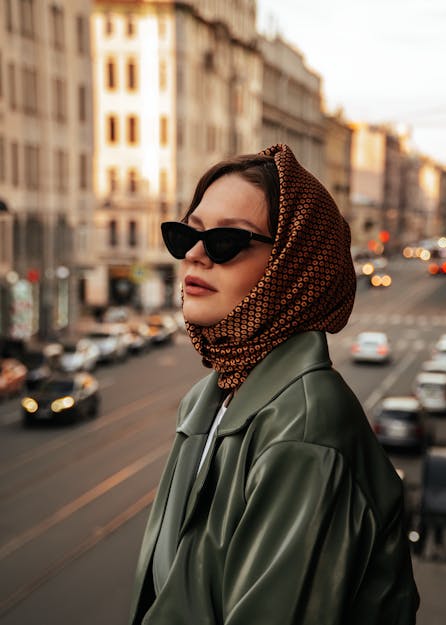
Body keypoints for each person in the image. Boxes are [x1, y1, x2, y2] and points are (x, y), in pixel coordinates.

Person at [129, 144, 419, 624]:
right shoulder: (209, 399)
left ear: (293, 265)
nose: (196, 255)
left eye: (227, 241)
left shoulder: (306, 427)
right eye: (187, 234)